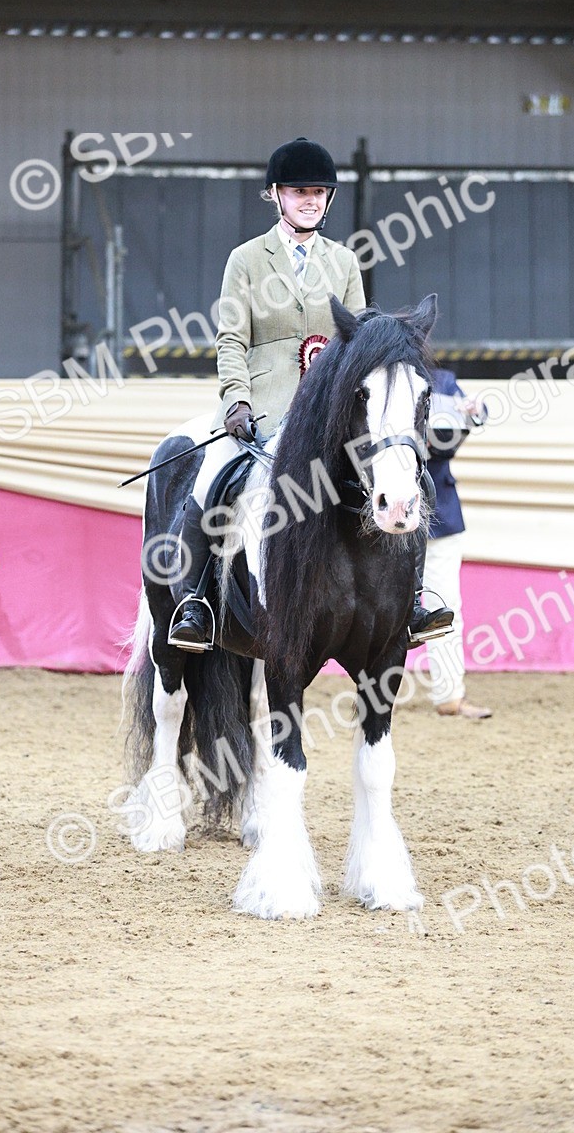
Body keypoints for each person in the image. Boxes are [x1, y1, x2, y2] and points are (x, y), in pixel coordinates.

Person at [169, 136, 453, 652]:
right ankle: (195, 603)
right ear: (276, 194)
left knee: (411, 479)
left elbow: (363, 342)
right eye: (299, 191)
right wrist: (236, 400)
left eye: (318, 192)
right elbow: (231, 338)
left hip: (329, 414)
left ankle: (412, 599)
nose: (310, 200)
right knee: (212, 478)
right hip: (261, 407)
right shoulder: (246, 260)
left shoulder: (344, 262)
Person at [422, 368, 492, 719]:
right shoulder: (378, 377)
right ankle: (373, 694)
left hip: (439, 513)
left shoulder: (444, 381)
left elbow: (477, 414)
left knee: (446, 606)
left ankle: (449, 694)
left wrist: (474, 411)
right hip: (388, 517)